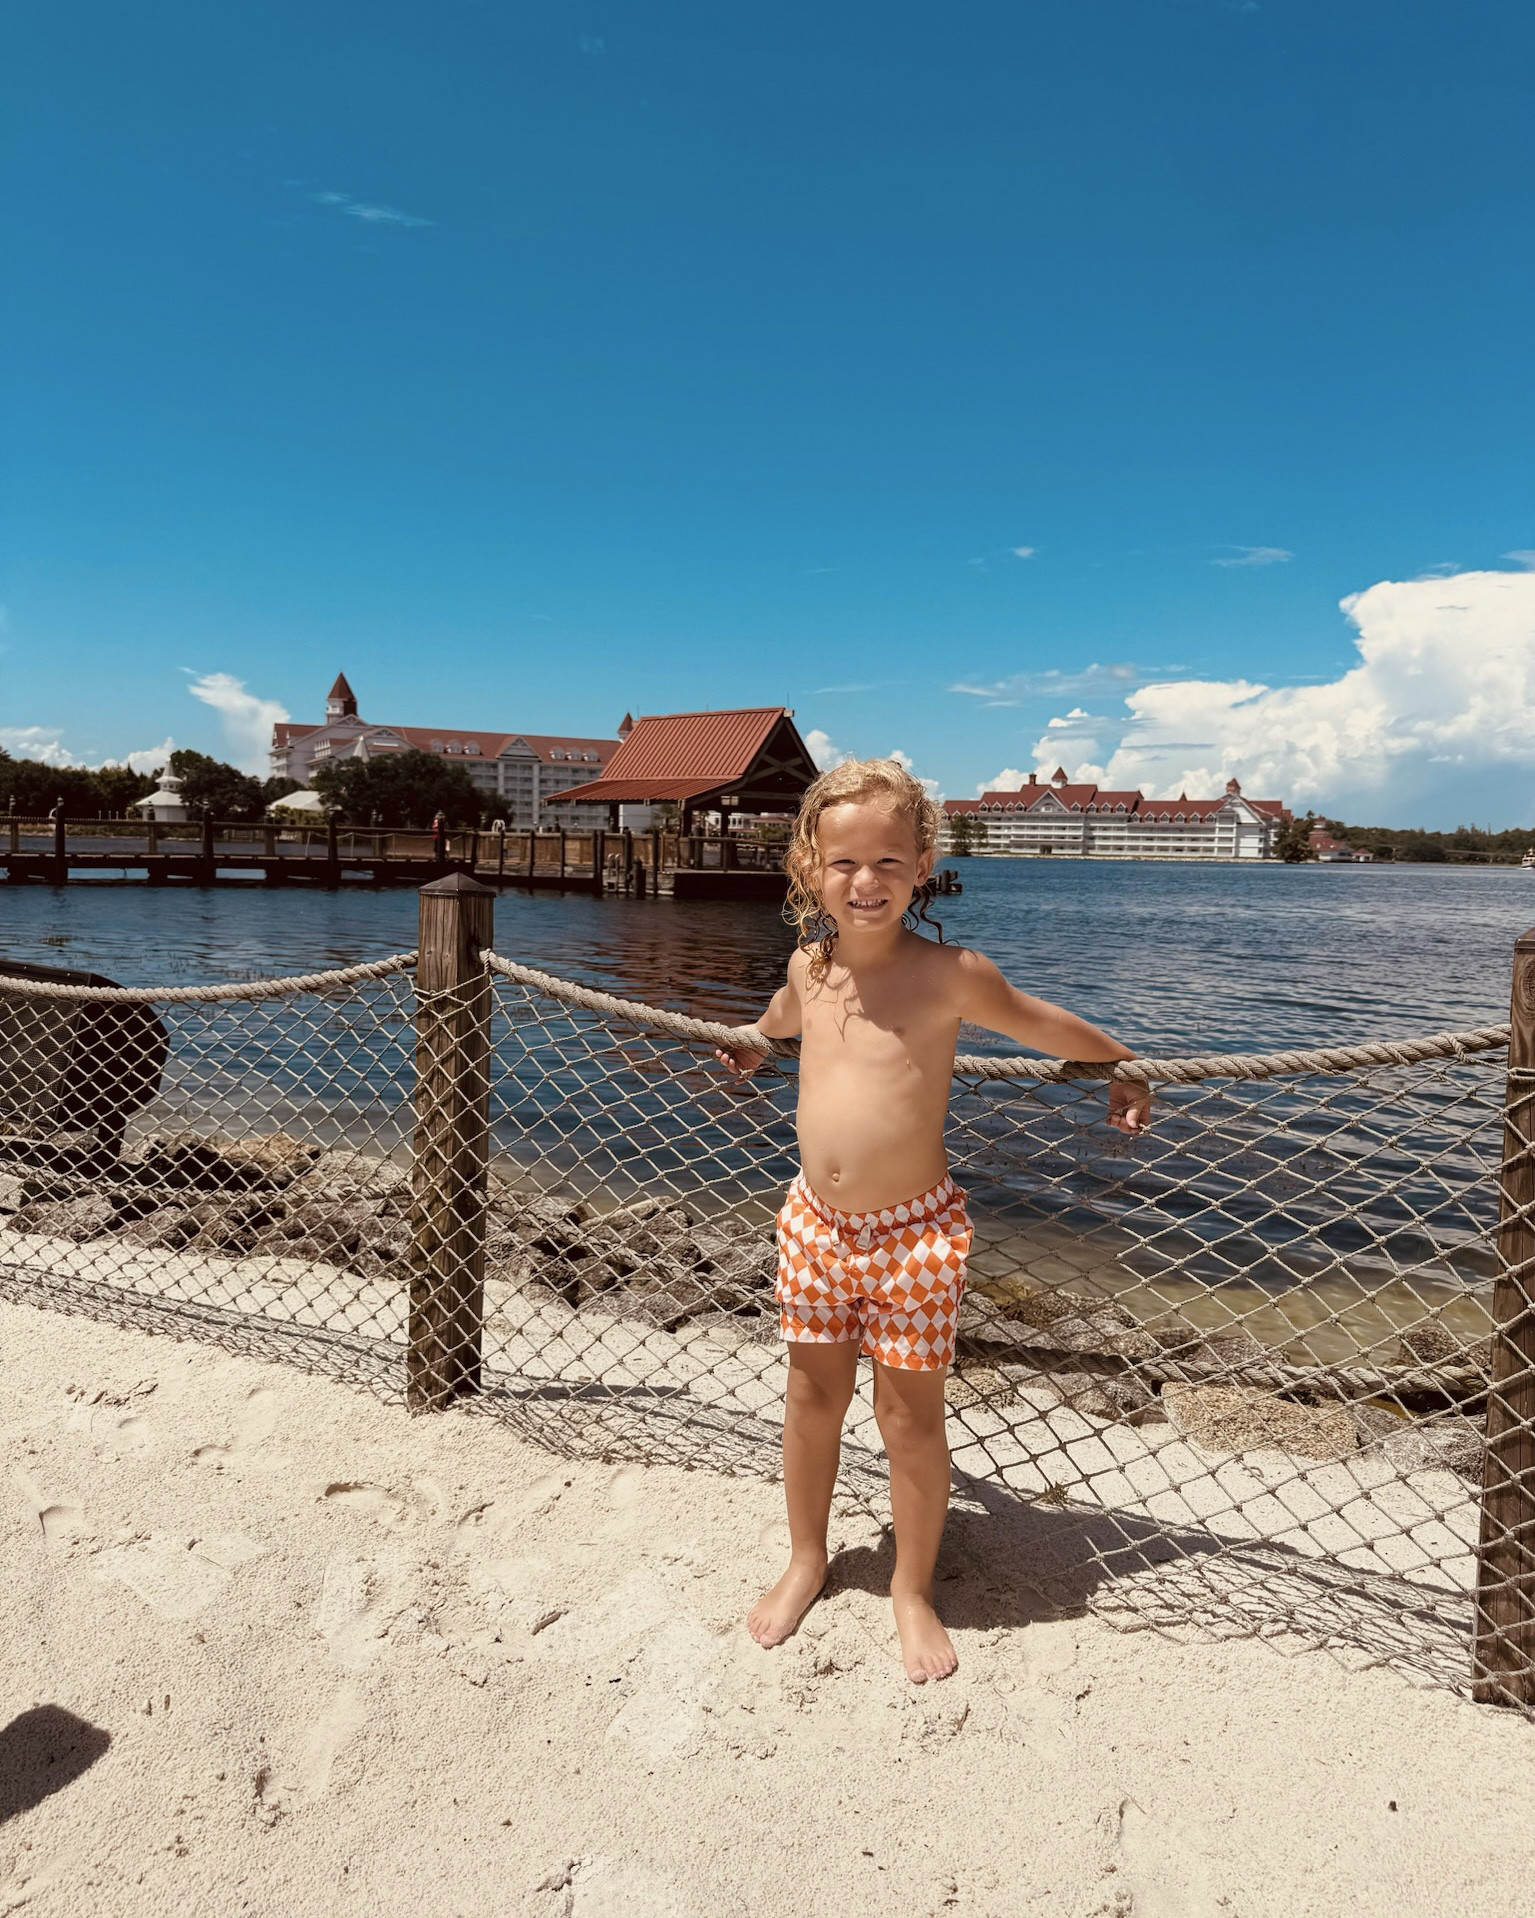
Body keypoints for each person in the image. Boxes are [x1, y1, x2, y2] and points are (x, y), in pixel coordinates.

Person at [715, 758, 1150, 1683]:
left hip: (914, 1233)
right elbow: (785, 1014)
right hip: (813, 1224)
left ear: (921, 866)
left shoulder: (952, 974)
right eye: (842, 863)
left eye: (886, 862)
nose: (863, 882)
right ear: (808, 869)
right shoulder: (808, 963)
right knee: (809, 1399)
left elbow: (1039, 1023)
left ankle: (911, 1587)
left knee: (908, 1419)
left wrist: (1121, 1059)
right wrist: (754, 1043)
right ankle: (806, 1558)